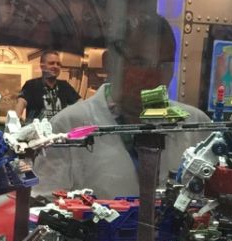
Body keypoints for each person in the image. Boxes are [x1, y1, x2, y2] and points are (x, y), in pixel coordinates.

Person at [32, 13, 211, 199]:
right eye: (140, 63)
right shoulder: (66, 127)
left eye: (164, 65)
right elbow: (43, 204)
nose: (154, 76)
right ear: (109, 63)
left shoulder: (196, 125)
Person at [16, 49, 80, 122]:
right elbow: (21, 104)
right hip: (38, 128)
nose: (55, 66)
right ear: (42, 66)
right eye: (51, 63)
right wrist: (16, 120)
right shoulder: (31, 85)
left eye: (58, 64)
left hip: (59, 128)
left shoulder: (64, 86)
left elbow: (81, 104)